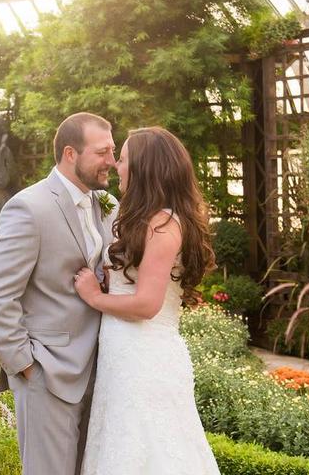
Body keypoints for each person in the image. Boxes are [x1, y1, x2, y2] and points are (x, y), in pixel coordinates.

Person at [74, 126, 220, 475]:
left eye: (123, 160)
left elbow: (146, 305)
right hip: (126, 357)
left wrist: (95, 296)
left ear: (144, 168)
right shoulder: (154, 220)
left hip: (143, 360)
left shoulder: (163, 225)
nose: (116, 166)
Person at [0, 112, 118, 475]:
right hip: (48, 371)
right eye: (102, 153)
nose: (112, 162)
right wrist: (25, 366)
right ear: (70, 154)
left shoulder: (106, 205)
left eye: (113, 152)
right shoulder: (29, 207)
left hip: (101, 371)